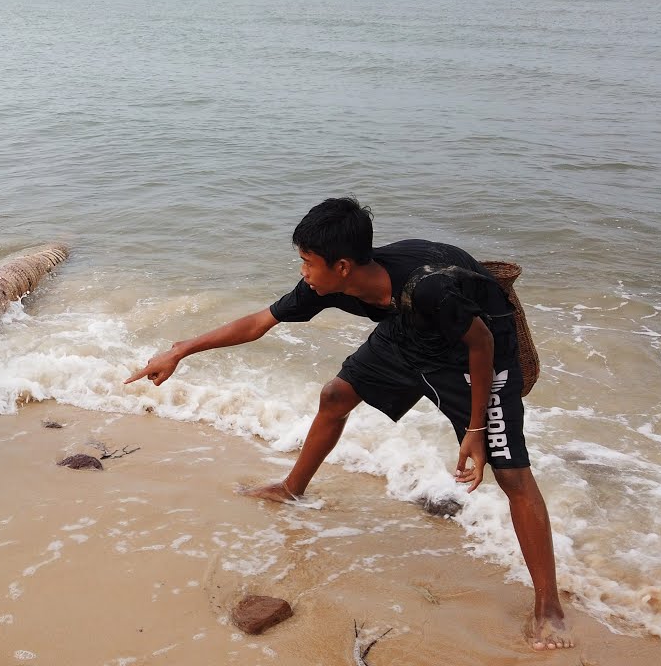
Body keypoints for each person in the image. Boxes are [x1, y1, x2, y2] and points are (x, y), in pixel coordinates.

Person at [124, 197, 574, 651]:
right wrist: (180, 350)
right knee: (335, 396)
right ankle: (291, 488)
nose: (302, 271)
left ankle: (548, 605)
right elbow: (260, 322)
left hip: (475, 353)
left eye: (307, 262)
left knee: (512, 475)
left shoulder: (430, 288)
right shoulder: (330, 285)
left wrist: (475, 430)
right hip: (408, 331)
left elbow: (481, 342)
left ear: (341, 266)